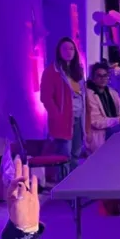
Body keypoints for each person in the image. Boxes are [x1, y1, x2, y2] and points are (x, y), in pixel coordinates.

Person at [40, 36, 87, 167]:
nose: (69, 52)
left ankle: (75, 179)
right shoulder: (51, 72)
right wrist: (57, 116)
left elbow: (83, 94)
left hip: (79, 117)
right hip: (64, 120)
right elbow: (46, 98)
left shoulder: (78, 71)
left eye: (71, 49)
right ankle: (64, 180)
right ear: (59, 51)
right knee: (64, 156)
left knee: (76, 154)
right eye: (65, 49)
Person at [85, 62, 120, 153]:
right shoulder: (89, 94)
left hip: (115, 130)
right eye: (99, 76)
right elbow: (96, 121)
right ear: (93, 78)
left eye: (105, 75)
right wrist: (118, 120)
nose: (103, 79)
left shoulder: (112, 92)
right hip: (99, 135)